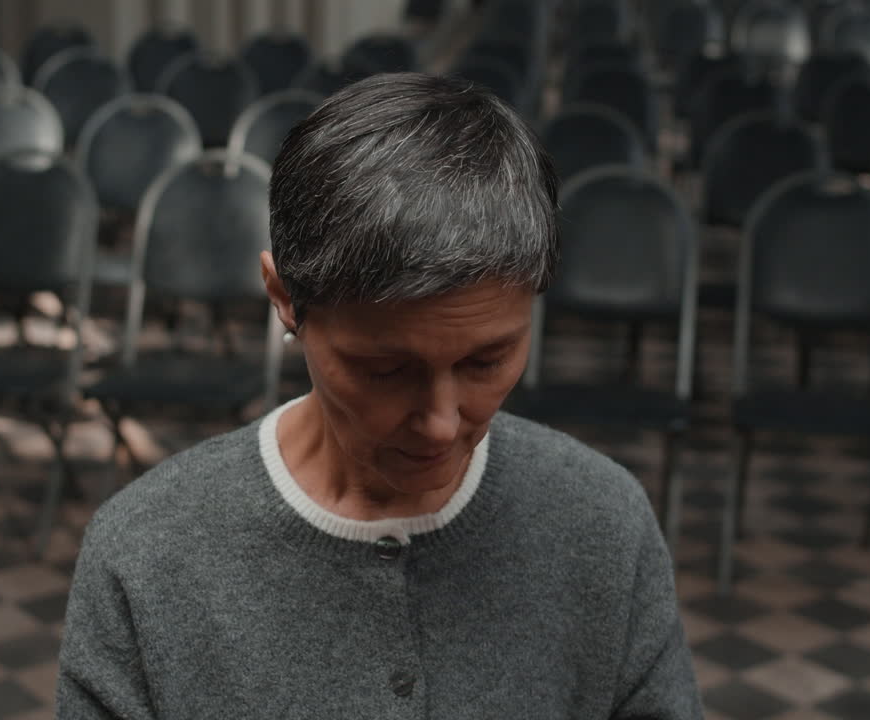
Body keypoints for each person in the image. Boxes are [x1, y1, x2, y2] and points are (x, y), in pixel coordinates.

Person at [56, 72, 702, 719]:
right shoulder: (146, 559)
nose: (441, 425)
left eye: (487, 360)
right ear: (285, 299)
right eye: (385, 370)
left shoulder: (602, 526)